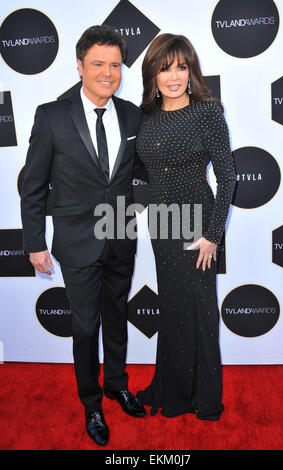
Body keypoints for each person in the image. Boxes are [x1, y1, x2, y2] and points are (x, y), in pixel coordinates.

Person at [21, 25, 147, 447]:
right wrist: (35, 241)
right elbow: (33, 184)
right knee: (84, 325)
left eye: (114, 64)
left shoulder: (132, 114)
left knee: (116, 317)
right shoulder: (51, 115)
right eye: (98, 64)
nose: (107, 72)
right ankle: (92, 404)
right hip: (76, 242)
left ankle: (116, 384)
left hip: (120, 235)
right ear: (79, 66)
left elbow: (143, 172)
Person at [136, 33, 236, 420]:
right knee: (173, 309)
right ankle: (172, 388)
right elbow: (143, 171)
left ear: (191, 70)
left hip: (196, 225)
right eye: (165, 68)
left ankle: (204, 398)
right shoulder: (145, 115)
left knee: (199, 310)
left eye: (181, 67)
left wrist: (213, 235)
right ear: (154, 73)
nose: (173, 77)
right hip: (161, 223)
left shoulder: (207, 112)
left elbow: (227, 178)